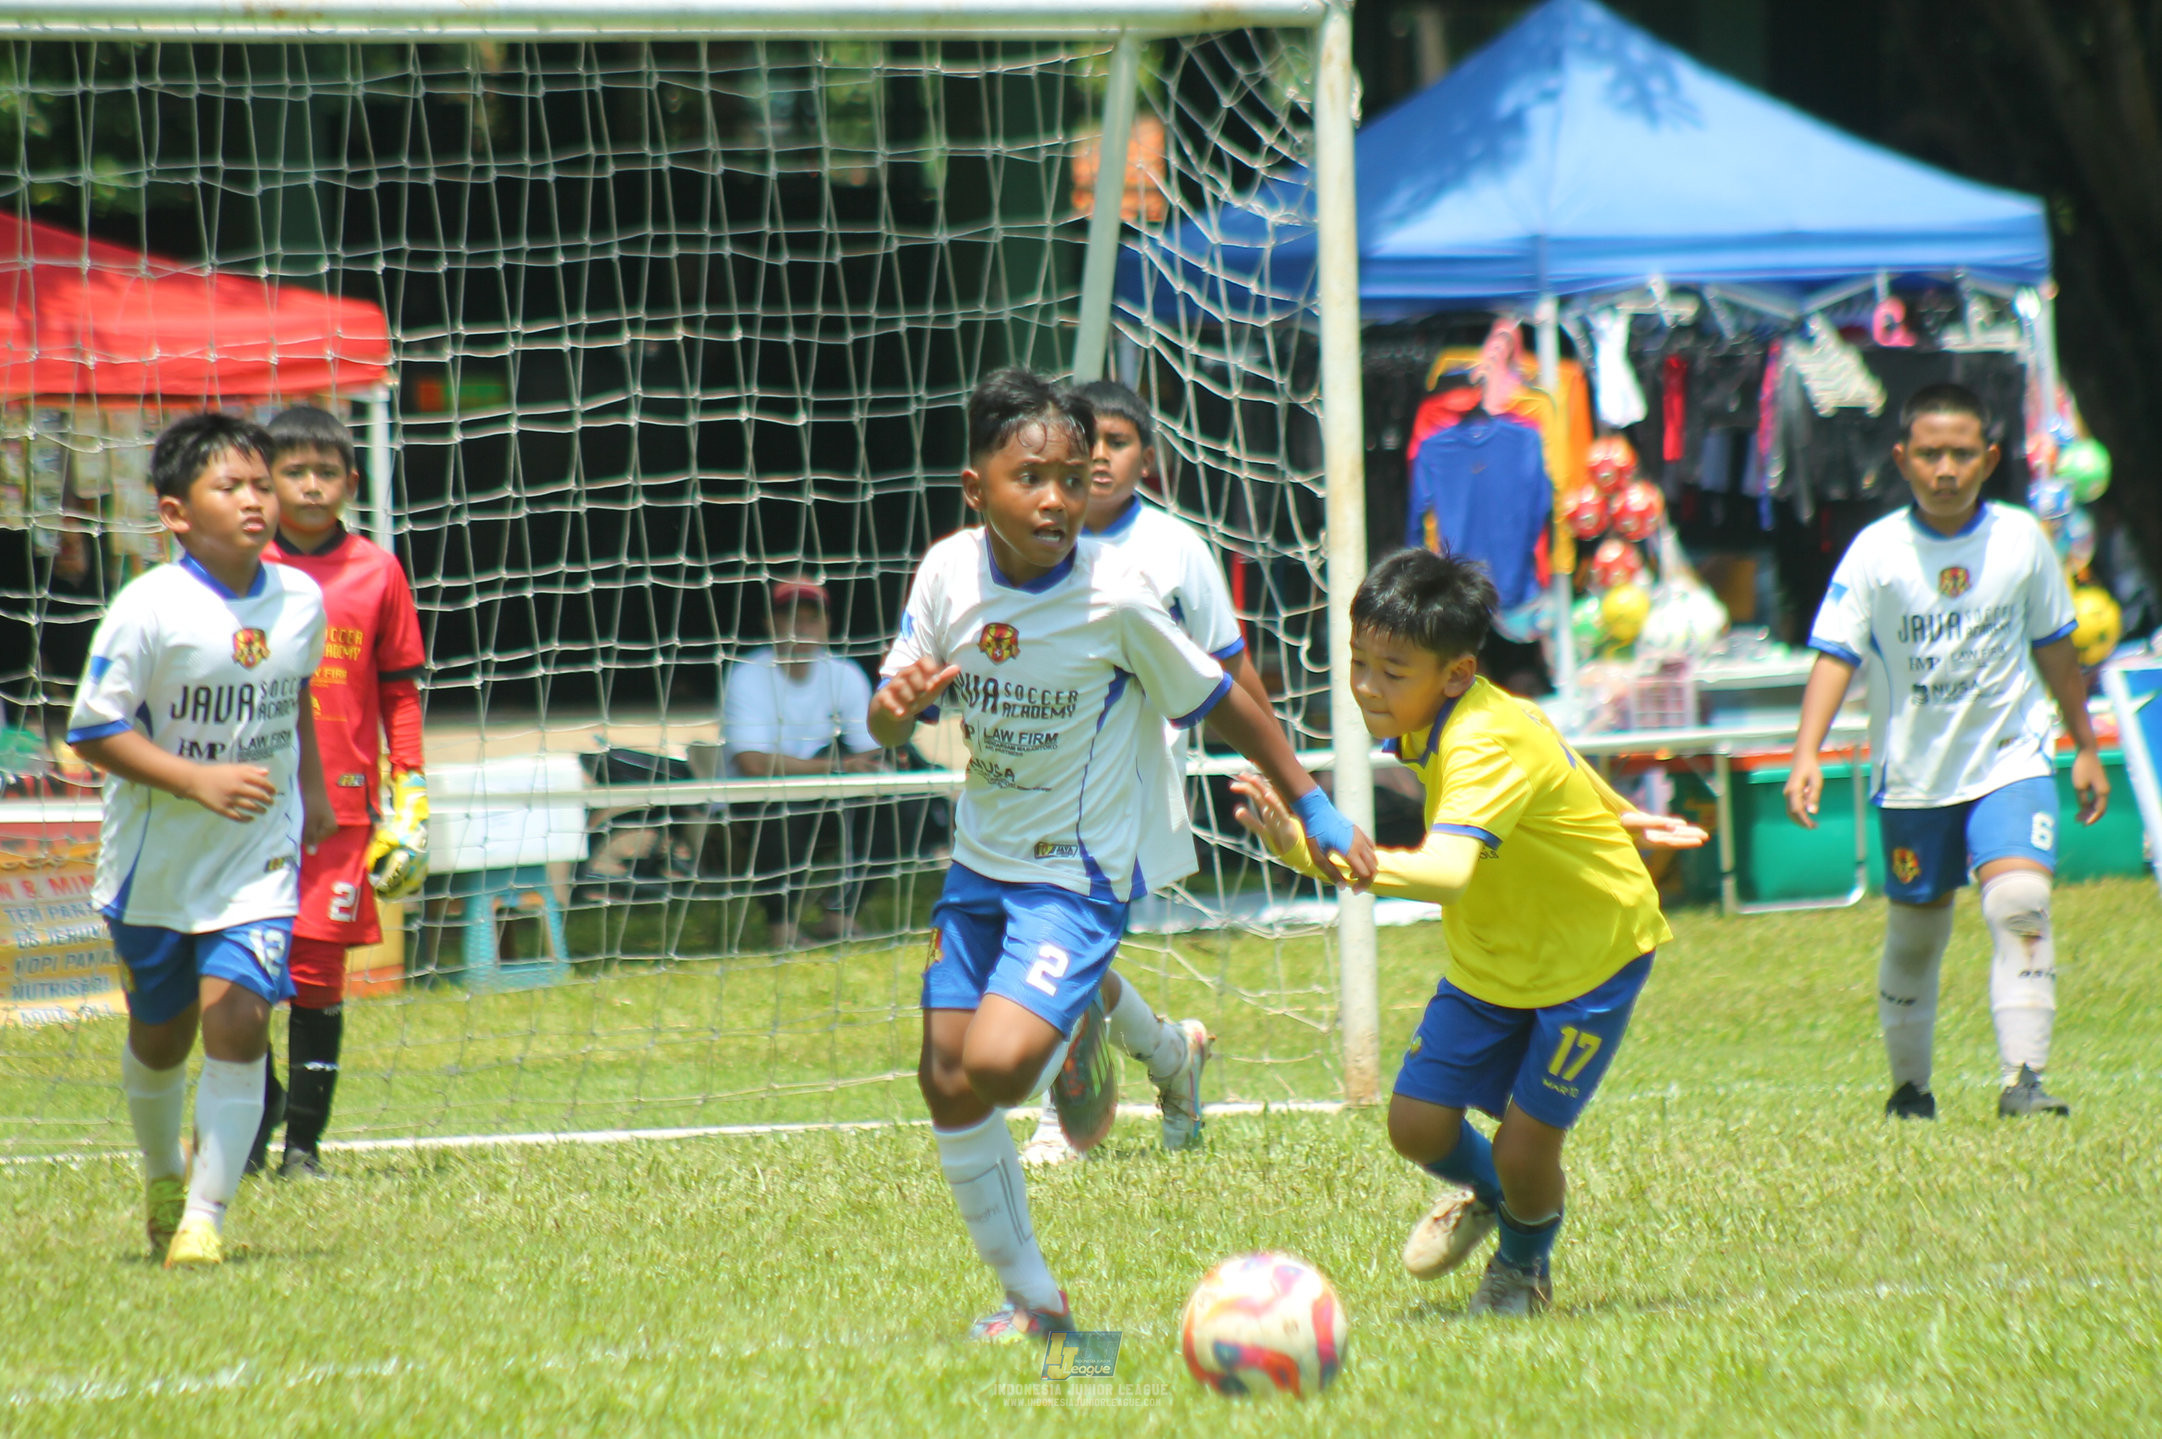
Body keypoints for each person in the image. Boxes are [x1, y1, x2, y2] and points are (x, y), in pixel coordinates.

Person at [870, 366, 1374, 1341]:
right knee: (943, 1077)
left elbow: (1225, 696)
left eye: (1071, 475)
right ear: (975, 489)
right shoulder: (944, 575)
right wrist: (892, 713)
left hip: (1076, 878)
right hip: (981, 868)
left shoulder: (1120, 592)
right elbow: (893, 704)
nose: (1058, 496)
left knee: (1002, 1066)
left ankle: (1084, 1049)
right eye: (1031, 478)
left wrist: (1310, 802)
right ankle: (1038, 1305)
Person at [1233, 546, 1704, 1318]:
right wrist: (1616, 810)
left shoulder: (1480, 740)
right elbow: (1545, 734)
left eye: (1392, 670)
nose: (1365, 687)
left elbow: (1448, 871)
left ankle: (1522, 1264)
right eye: (1357, 661)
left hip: (1588, 959)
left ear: (1455, 673)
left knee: (1526, 1149)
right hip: (1494, 954)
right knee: (1415, 1125)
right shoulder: (1462, 712)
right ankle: (1496, 1197)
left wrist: (1313, 856)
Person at [1786, 383, 2106, 1121]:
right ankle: (1909, 1088)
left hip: (2010, 760)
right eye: (1930, 453)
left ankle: (2023, 1080)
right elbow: (1837, 654)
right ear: (1902, 459)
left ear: (1990, 458)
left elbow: (2056, 649)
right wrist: (1806, 751)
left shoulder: (2024, 539)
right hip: (1915, 776)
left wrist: (2085, 743)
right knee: (1916, 932)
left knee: (2021, 903)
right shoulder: (1876, 552)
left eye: (1962, 453)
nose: (1946, 468)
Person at [65, 412, 334, 1266]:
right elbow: (92, 729)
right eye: (232, 487)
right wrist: (196, 779)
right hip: (155, 865)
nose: (256, 500)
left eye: (262, 484)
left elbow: (293, 696)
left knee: (243, 1020)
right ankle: (160, 1175)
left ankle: (204, 1218)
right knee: (161, 1034)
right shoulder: (149, 607)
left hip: (257, 855)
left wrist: (314, 788)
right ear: (177, 512)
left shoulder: (301, 600)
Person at [1014, 378, 1266, 1166]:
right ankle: (1171, 1056)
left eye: (1117, 443)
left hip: (1130, 777)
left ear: (1145, 458)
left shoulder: (1174, 548)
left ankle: (1068, 1116)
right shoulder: (1025, 540)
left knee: (1064, 934)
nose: (1099, 460)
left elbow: (1231, 669)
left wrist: (1281, 774)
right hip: (1036, 770)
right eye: (1085, 445)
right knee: (1061, 944)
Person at [245, 405, 429, 1179]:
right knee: (240, 977)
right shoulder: (242, 570)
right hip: (246, 801)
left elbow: (399, 690)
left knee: (317, 982)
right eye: (295, 472)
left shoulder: (376, 571)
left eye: (327, 472)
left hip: (342, 810)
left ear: (353, 482)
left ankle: (303, 1148)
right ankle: (253, 1119)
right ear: (267, 483)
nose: (312, 486)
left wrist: (410, 790)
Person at [722, 579, 885, 949]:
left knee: (902, 807)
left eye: (813, 619)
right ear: (770, 622)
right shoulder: (747, 675)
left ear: (828, 625)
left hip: (826, 795)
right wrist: (836, 766)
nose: (802, 628)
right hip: (760, 801)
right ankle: (782, 928)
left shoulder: (845, 674)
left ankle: (840, 915)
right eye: (791, 617)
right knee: (779, 812)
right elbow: (752, 763)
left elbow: (868, 752)